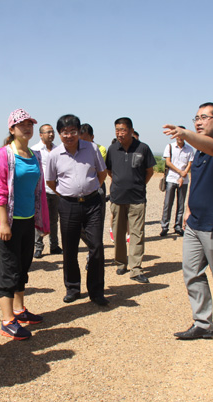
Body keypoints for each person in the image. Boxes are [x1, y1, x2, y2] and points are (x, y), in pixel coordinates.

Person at [164, 102, 213, 343]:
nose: (198, 122)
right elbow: (195, 182)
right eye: (196, 118)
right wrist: (187, 210)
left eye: (204, 118)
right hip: (195, 223)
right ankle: (203, 323)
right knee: (192, 273)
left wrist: (186, 133)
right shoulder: (198, 150)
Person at [0, 109, 50, 340]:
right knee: (8, 269)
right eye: (21, 124)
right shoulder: (3, 155)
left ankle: (19, 310)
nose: (27, 128)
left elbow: (38, 190)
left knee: (23, 266)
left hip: (26, 221)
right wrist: (4, 223)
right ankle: (7, 321)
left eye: (29, 124)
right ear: (12, 129)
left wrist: (40, 219)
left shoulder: (35, 155)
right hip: (7, 223)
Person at [45, 115, 108, 306]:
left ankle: (96, 291)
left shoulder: (92, 148)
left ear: (79, 132)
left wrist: (88, 189)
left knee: (96, 246)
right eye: (65, 132)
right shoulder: (54, 155)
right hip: (68, 205)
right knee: (69, 248)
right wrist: (68, 194)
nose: (69, 135)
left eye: (73, 131)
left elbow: (102, 173)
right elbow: (50, 182)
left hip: (93, 203)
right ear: (59, 134)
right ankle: (72, 288)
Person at [106, 117, 155, 284]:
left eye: (123, 130)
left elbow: (149, 171)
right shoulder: (112, 149)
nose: (119, 133)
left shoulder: (143, 148)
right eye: (117, 130)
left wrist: (139, 185)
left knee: (137, 233)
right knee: (118, 233)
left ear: (131, 130)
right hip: (118, 198)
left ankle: (136, 269)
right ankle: (121, 263)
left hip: (137, 199)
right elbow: (110, 171)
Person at [31, 124, 61, 258]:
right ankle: (38, 247)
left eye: (52, 132)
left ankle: (54, 246)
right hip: (40, 191)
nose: (51, 134)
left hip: (56, 190)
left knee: (54, 219)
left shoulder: (58, 149)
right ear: (41, 135)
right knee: (39, 219)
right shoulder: (34, 150)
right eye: (48, 132)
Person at [159, 128, 194, 237]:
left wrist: (183, 175)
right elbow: (168, 162)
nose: (180, 137)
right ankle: (164, 226)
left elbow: (190, 163)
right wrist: (180, 172)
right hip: (171, 178)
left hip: (183, 180)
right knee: (168, 204)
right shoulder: (169, 147)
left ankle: (178, 226)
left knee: (181, 204)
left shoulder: (189, 149)